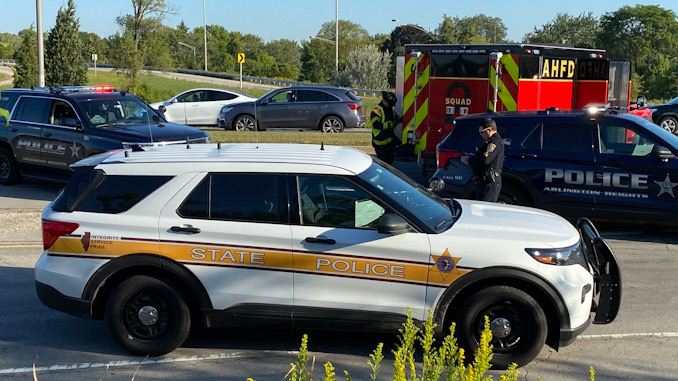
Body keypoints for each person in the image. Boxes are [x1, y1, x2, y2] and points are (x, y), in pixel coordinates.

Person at [461, 117, 504, 202]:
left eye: (482, 132)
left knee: (486, 208)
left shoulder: (494, 143)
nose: (481, 135)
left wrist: (469, 160)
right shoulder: (490, 142)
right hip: (483, 181)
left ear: (489, 130)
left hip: (489, 182)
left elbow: (485, 160)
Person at [370, 91, 401, 164]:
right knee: (383, 164)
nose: (390, 105)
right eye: (389, 104)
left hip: (389, 141)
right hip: (380, 143)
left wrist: (401, 119)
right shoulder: (377, 110)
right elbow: (376, 124)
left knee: (389, 162)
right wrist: (388, 125)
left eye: (392, 104)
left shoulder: (389, 109)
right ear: (384, 100)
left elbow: (395, 118)